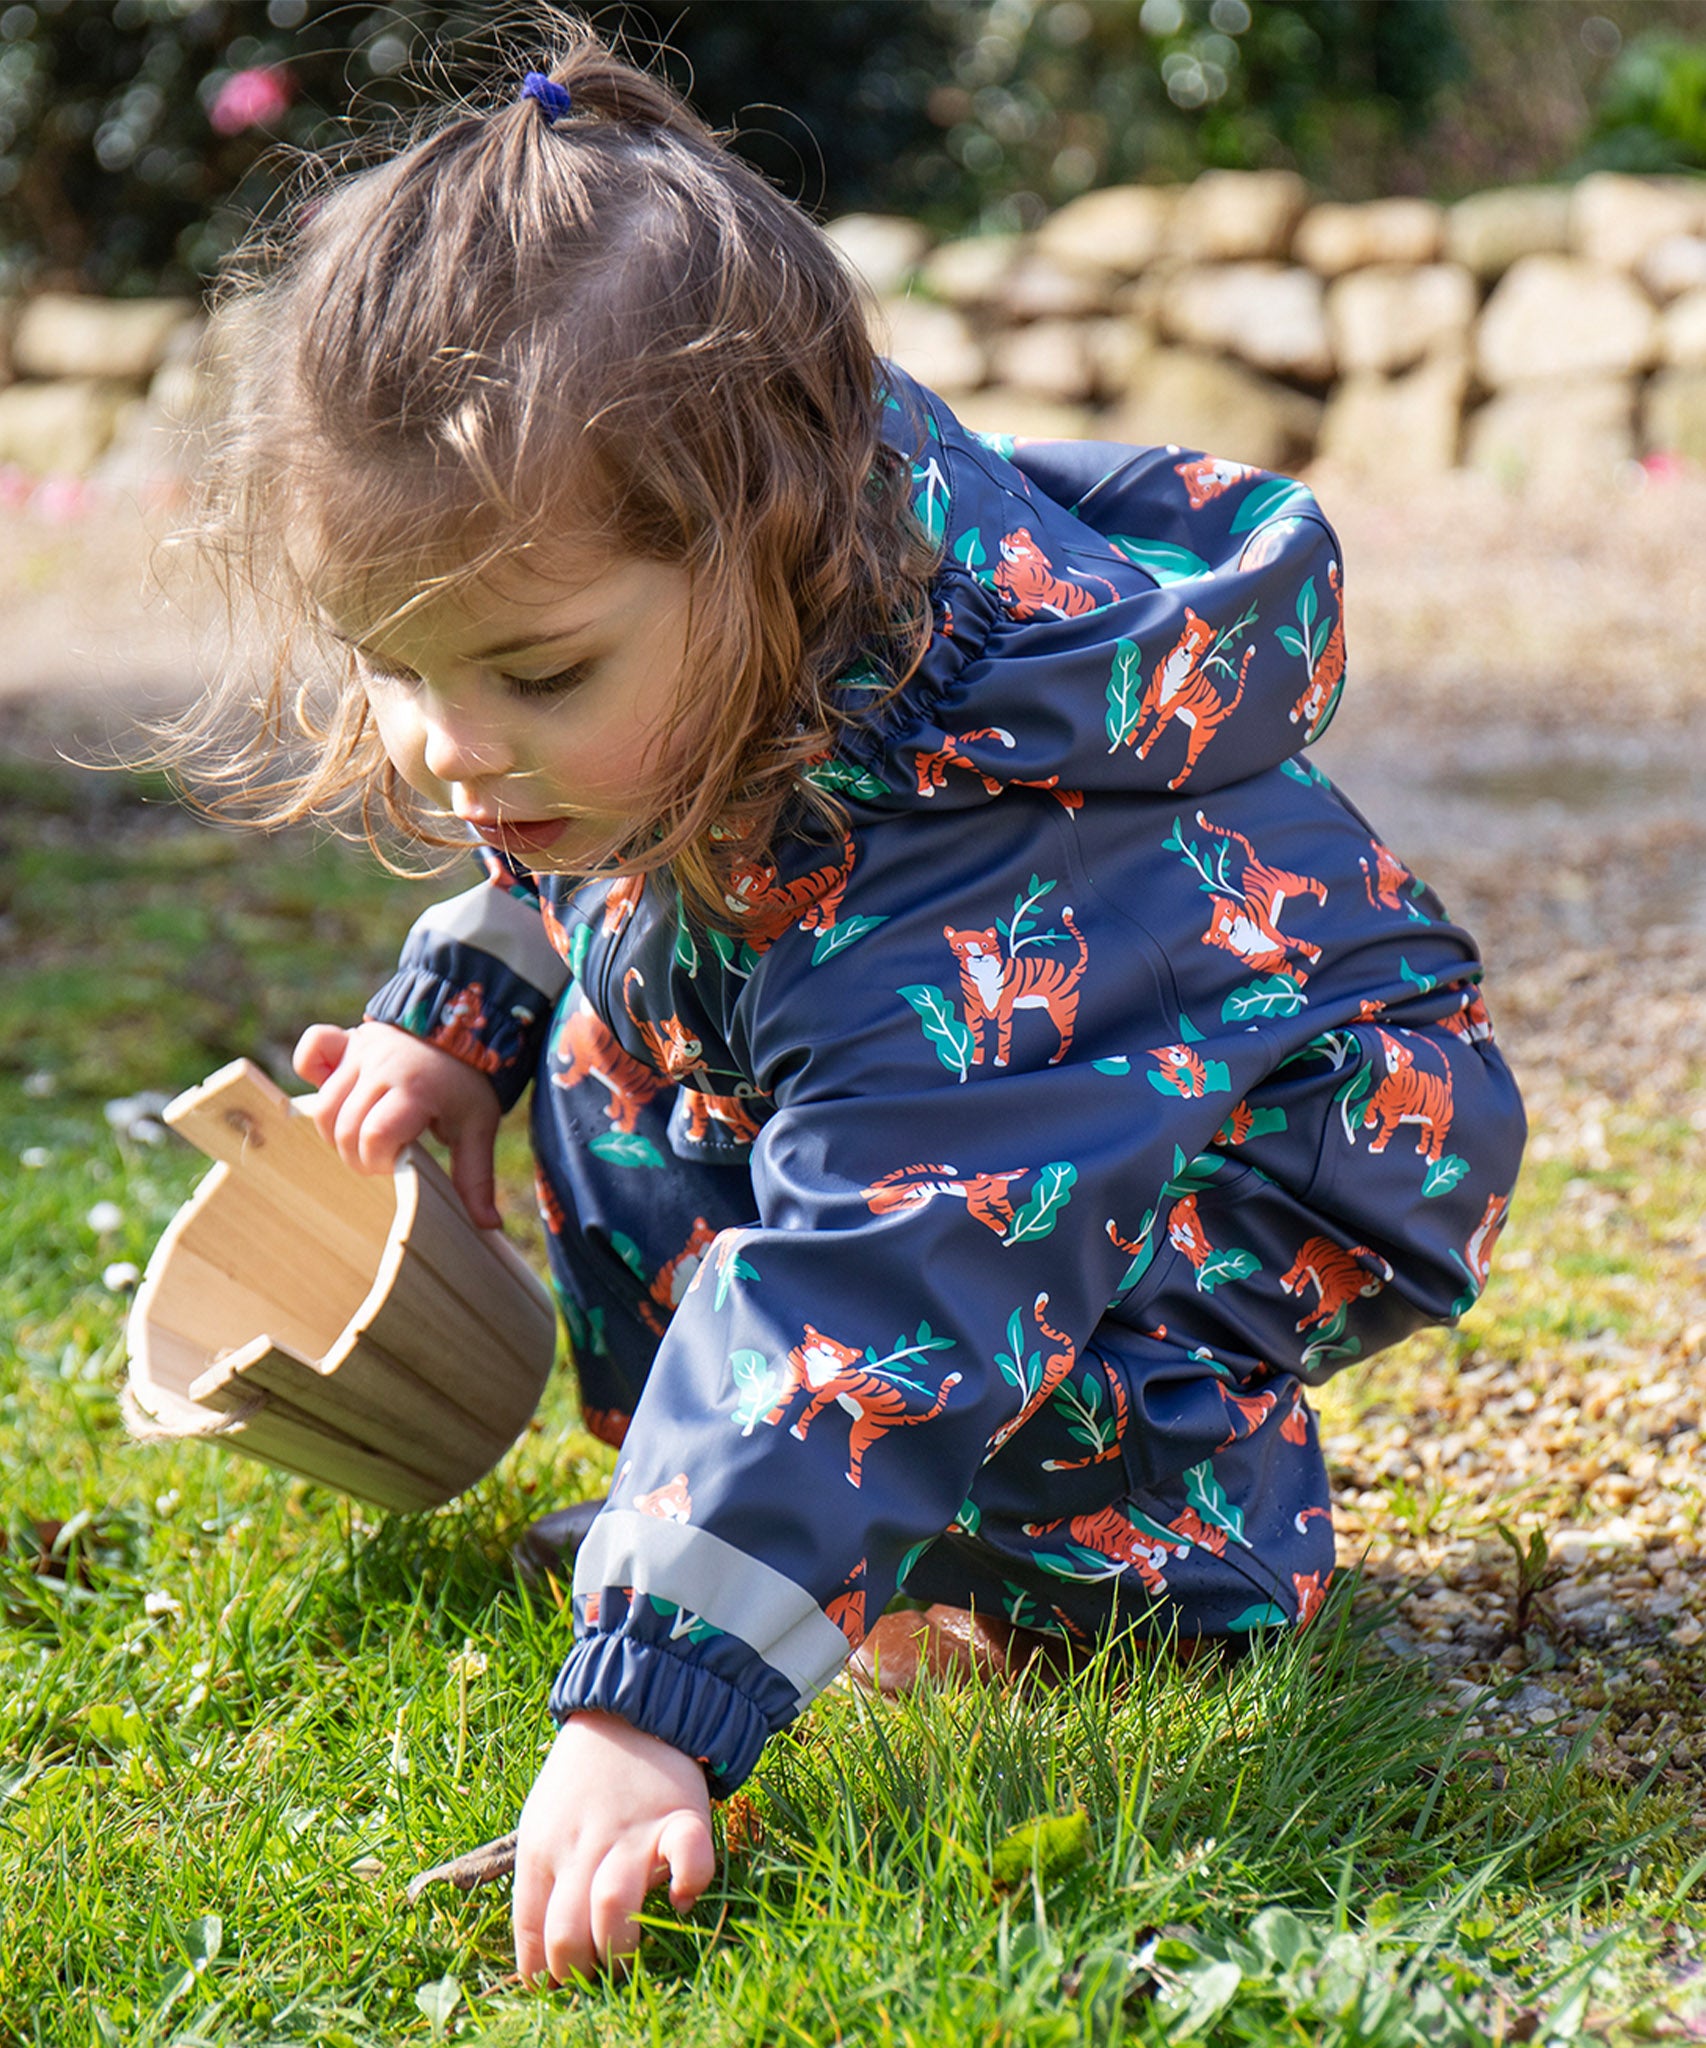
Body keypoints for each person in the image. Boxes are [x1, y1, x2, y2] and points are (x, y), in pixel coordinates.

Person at [168, 21, 1526, 1987]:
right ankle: (735, 1527)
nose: (452, 746)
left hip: (1267, 1134)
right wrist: (452, 1011)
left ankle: (1113, 1576)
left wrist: (647, 1712)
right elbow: (582, 832)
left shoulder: (979, 872)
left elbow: (879, 1273)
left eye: (533, 672)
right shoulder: (715, 644)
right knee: (632, 986)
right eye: (398, 664)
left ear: (765, 547)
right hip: (963, 1070)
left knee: (1001, 1307)